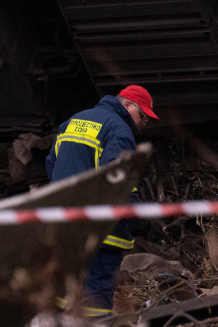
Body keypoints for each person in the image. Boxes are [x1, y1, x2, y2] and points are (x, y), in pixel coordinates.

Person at [45, 85, 157, 319]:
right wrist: (135, 219)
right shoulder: (119, 130)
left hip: (62, 226)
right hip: (98, 232)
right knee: (96, 293)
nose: (143, 123)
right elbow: (119, 180)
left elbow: (51, 164)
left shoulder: (74, 121)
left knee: (61, 289)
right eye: (143, 116)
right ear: (128, 105)